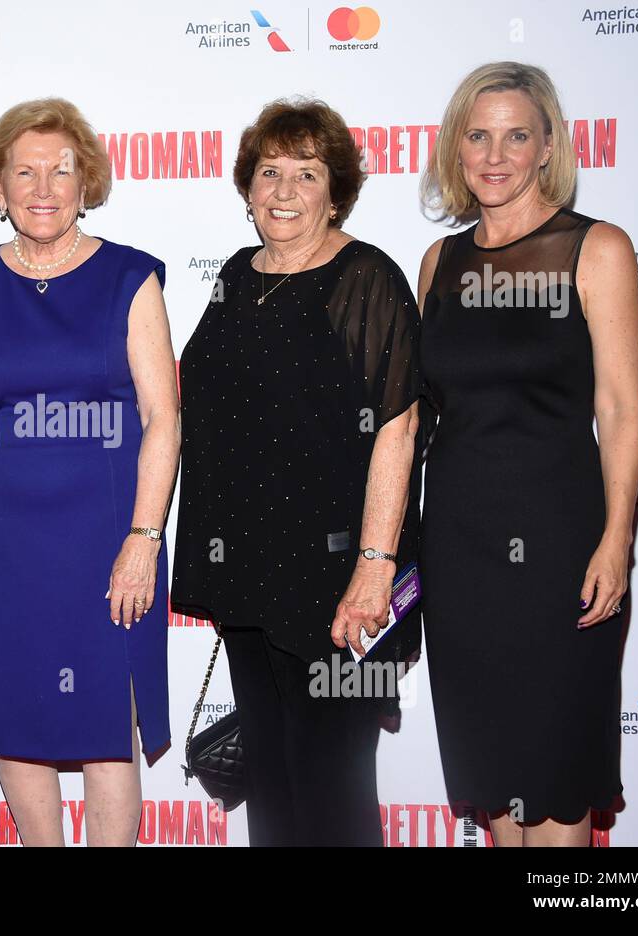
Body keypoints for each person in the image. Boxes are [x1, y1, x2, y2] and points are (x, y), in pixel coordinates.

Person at [171, 98, 423, 846]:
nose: (283, 191)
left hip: (338, 584)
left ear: (335, 191)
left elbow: (399, 426)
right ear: (247, 188)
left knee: (334, 786)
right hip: (249, 577)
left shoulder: (365, 277)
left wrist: (375, 570)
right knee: (274, 787)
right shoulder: (237, 276)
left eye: (305, 174)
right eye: (269, 173)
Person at [417, 62, 638, 847]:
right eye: (478, 135)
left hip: (559, 548)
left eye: (517, 135)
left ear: (548, 146)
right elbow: (423, 414)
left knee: (553, 786)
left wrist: (617, 541)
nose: (495, 154)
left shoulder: (597, 250)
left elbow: (619, 408)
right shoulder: (438, 265)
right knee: (497, 795)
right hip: (459, 549)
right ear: (456, 147)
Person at [0, 98, 180, 846]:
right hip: (2, 545)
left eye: (62, 171)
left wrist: (145, 536)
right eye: (25, 171)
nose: (43, 188)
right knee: (16, 719)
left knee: (106, 722)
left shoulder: (127, 277)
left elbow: (163, 419)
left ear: (88, 183)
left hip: (109, 537)